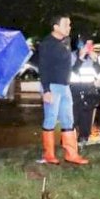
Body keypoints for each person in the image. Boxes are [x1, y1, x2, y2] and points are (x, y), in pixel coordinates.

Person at [39, 15, 89, 165]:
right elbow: (43, 68)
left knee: (68, 120)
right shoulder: (47, 43)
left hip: (65, 86)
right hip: (52, 86)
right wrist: (46, 90)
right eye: (66, 25)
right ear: (56, 27)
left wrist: (80, 58)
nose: (69, 27)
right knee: (51, 119)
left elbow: (71, 69)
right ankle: (48, 154)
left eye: (69, 24)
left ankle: (71, 154)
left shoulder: (65, 42)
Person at [70, 39, 100, 146]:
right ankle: (69, 143)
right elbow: (73, 70)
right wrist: (80, 59)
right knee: (73, 119)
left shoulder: (92, 57)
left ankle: (84, 140)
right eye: (87, 45)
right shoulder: (71, 56)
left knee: (86, 119)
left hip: (89, 91)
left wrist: (96, 61)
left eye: (91, 45)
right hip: (74, 90)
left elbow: (98, 71)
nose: (89, 47)